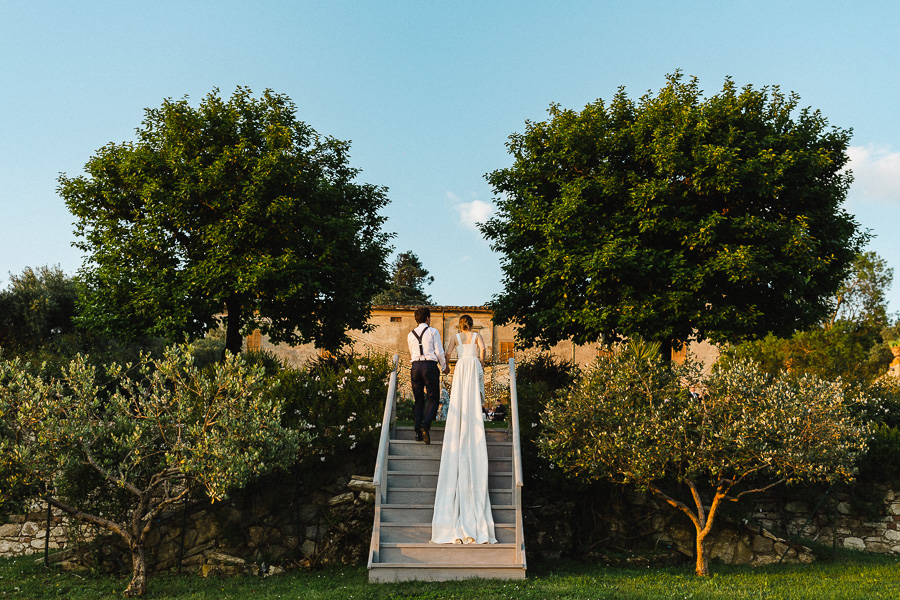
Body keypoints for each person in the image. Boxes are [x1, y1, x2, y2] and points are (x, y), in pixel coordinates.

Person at [431, 314, 497, 544]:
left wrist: (447, 364)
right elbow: (484, 351)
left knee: (459, 400)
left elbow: (447, 355)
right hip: (473, 366)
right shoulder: (477, 335)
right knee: (473, 399)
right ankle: (473, 420)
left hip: (461, 368)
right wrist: (479, 359)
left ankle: (459, 421)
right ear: (471, 324)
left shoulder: (456, 337)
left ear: (460, 325)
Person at [407, 306, 449, 444]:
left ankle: (417, 432)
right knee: (433, 398)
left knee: (418, 400)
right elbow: (439, 351)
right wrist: (444, 367)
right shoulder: (433, 331)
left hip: (415, 367)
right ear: (427, 318)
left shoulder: (410, 334)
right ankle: (425, 425)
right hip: (429, 366)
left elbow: (412, 352)